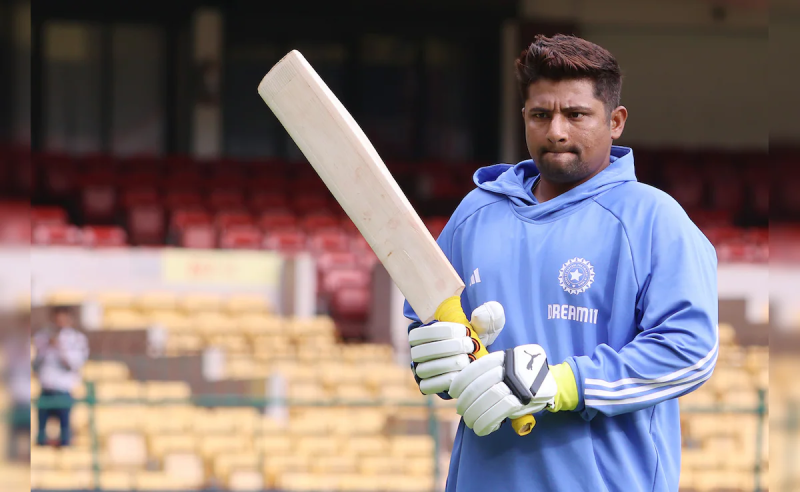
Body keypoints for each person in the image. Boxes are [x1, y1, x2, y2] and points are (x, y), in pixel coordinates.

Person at [404, 34, 718, 492]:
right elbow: (428, 324)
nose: (556, 131)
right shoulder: (474, 213)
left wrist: (561, 384)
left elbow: (690, 351)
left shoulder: (652, 218)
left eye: (576, 115)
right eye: (540, 115)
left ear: (615, 121)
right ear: (524, 118)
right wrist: (435, 358)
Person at [32, 305, 89, 447]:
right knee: (41, 432)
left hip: (63, 390)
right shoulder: (42, 337)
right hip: (46, 388)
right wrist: (46, 348)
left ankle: (65, 451)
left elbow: (74, 365)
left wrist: (59, 348)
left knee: (65, 431)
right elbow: (35, 364)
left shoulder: (76, 339)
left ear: (70, 320)